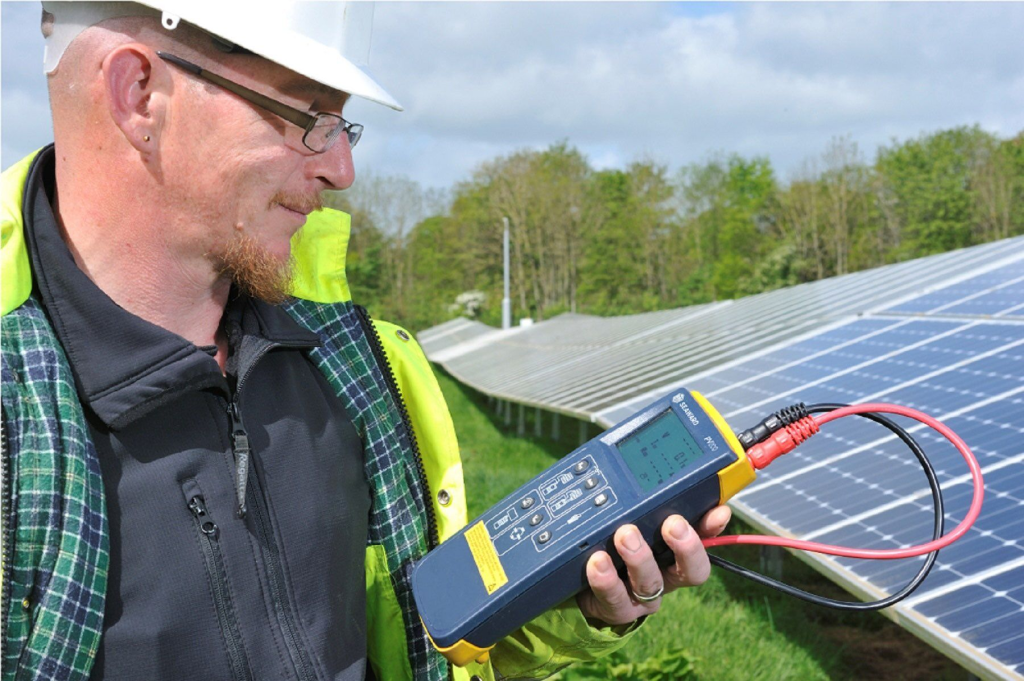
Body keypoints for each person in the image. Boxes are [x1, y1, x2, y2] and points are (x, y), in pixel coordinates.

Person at [0, 2, 732, 680]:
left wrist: (575, 598)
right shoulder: (15, 427)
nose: (341, 170)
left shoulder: (353, 364)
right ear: (139, 94)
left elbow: (423, 641)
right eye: (308, 115)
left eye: (342, 125)